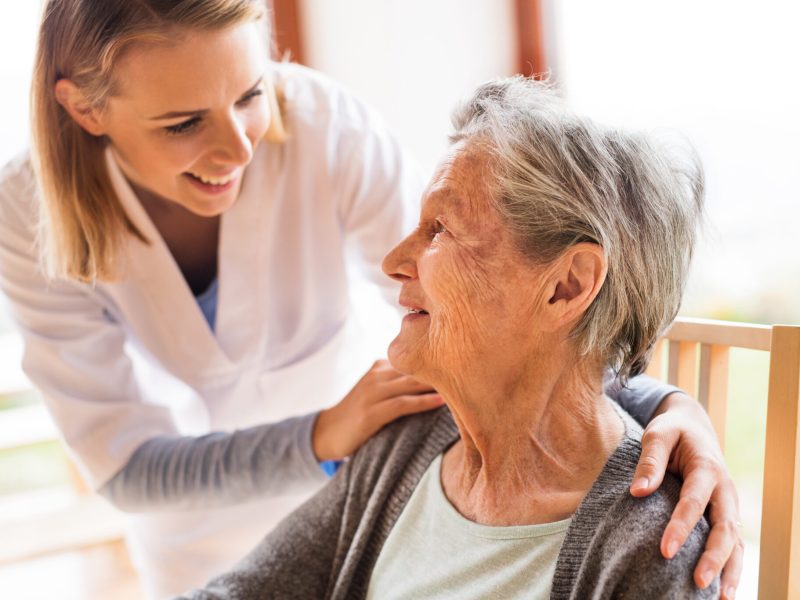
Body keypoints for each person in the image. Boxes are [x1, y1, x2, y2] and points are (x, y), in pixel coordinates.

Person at [0, 1, 740, 597]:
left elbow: (512, 315)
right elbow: (129, 467)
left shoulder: (327, 131)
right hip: (242, 521)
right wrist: (324, 439)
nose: (239, 147)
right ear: (87, 110)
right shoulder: (24, 214)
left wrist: (668, 406)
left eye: (252, 93)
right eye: (184, 123)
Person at [181, 77, 718, 599]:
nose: (393, 262)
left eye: (440, 229)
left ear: (566, 286)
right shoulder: (407, 439)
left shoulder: (654, 547)